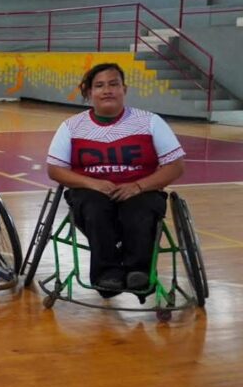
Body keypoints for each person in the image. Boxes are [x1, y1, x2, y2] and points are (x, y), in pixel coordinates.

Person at [46, 62, 185, 296]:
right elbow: (55, 170)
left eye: (113, 84)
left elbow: (176, 166)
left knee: (139, 209)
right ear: (89, 92)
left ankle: (138, 272)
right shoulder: (71, 126)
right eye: (99, 86)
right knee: (95, 208)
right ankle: (106, 273)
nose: (107, 90)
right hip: (90, 190)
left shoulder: (149, 122)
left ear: (124, 89)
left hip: (141, 189)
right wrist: (94, 184)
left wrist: (139, 186)